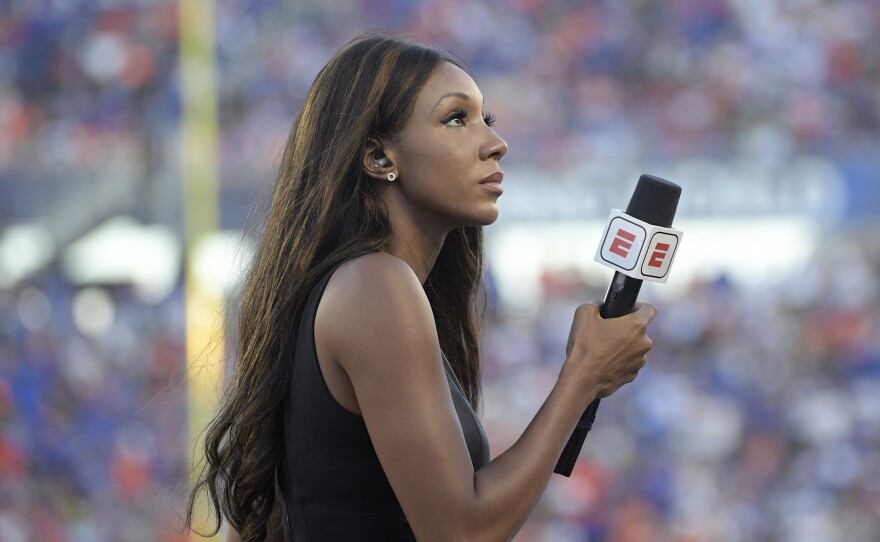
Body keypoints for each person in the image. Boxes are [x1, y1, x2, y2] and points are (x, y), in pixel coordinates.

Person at [185, 32, 656, 542]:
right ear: (379, 158)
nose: (496, 143)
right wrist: (584, 375)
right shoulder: (375, 286)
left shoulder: (357, 288)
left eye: (486, 120)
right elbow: (461, 532)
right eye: (456, 118)